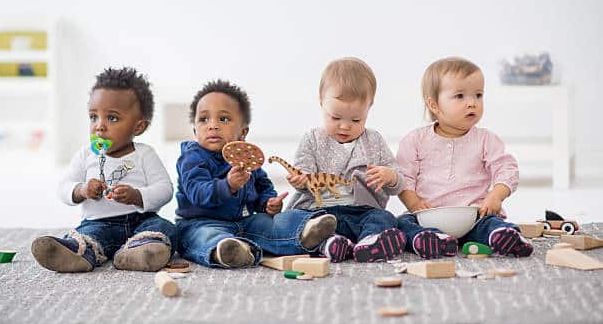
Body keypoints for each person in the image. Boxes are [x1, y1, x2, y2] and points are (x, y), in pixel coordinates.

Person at [176, 80, 336, 268]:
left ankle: (305, 231)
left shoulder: (246, 158)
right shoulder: (192, 157)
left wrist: (268, 203)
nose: (212, 125)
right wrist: (227, 185)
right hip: (200, 223)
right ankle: (227, 251)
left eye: (223, 119)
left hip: (244, 221)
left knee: (271, 222)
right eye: (204, 119)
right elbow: (197, 191)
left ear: (243, 132)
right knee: (203, 236)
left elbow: (263, 185)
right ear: (195, 130)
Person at [32, 67, 177, 272]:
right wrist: (81, 190)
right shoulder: (86, 155)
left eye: (112, 118)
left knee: (165, 229)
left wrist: (137, 195)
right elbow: (63, 187)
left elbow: (165, 189)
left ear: (138, 127)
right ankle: (77, 253)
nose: (99, 126)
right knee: (88, 235)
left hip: (141, 221)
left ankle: (141, 251)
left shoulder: (145, 154)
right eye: (93, 117)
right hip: (99, 223)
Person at [395, 57, 533, 259]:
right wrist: (414, 204)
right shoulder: (415, 140)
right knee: (402, 224)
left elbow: (507, 169)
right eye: (460, 96)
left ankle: (502, 236)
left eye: (478, 95)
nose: (472, 103)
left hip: (474, 215)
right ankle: (429, 240)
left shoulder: (486, 139)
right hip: (428, 216)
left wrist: (496, 196)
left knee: (490, 223)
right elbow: (403, 176)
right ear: (433, 105)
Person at [284, 58, 406, 263]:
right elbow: (303, 172)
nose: (345, 127)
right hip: (319, 212)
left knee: (385, 218)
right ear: (321, 102)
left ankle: (370, 241)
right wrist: (301, 179)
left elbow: (397, 183)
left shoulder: (374, 140)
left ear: (369, 107)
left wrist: (390, 177)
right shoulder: (312, 139)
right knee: (296, 223)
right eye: (336, 118)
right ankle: (330, 244)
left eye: (356, 120)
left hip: (361, 211)